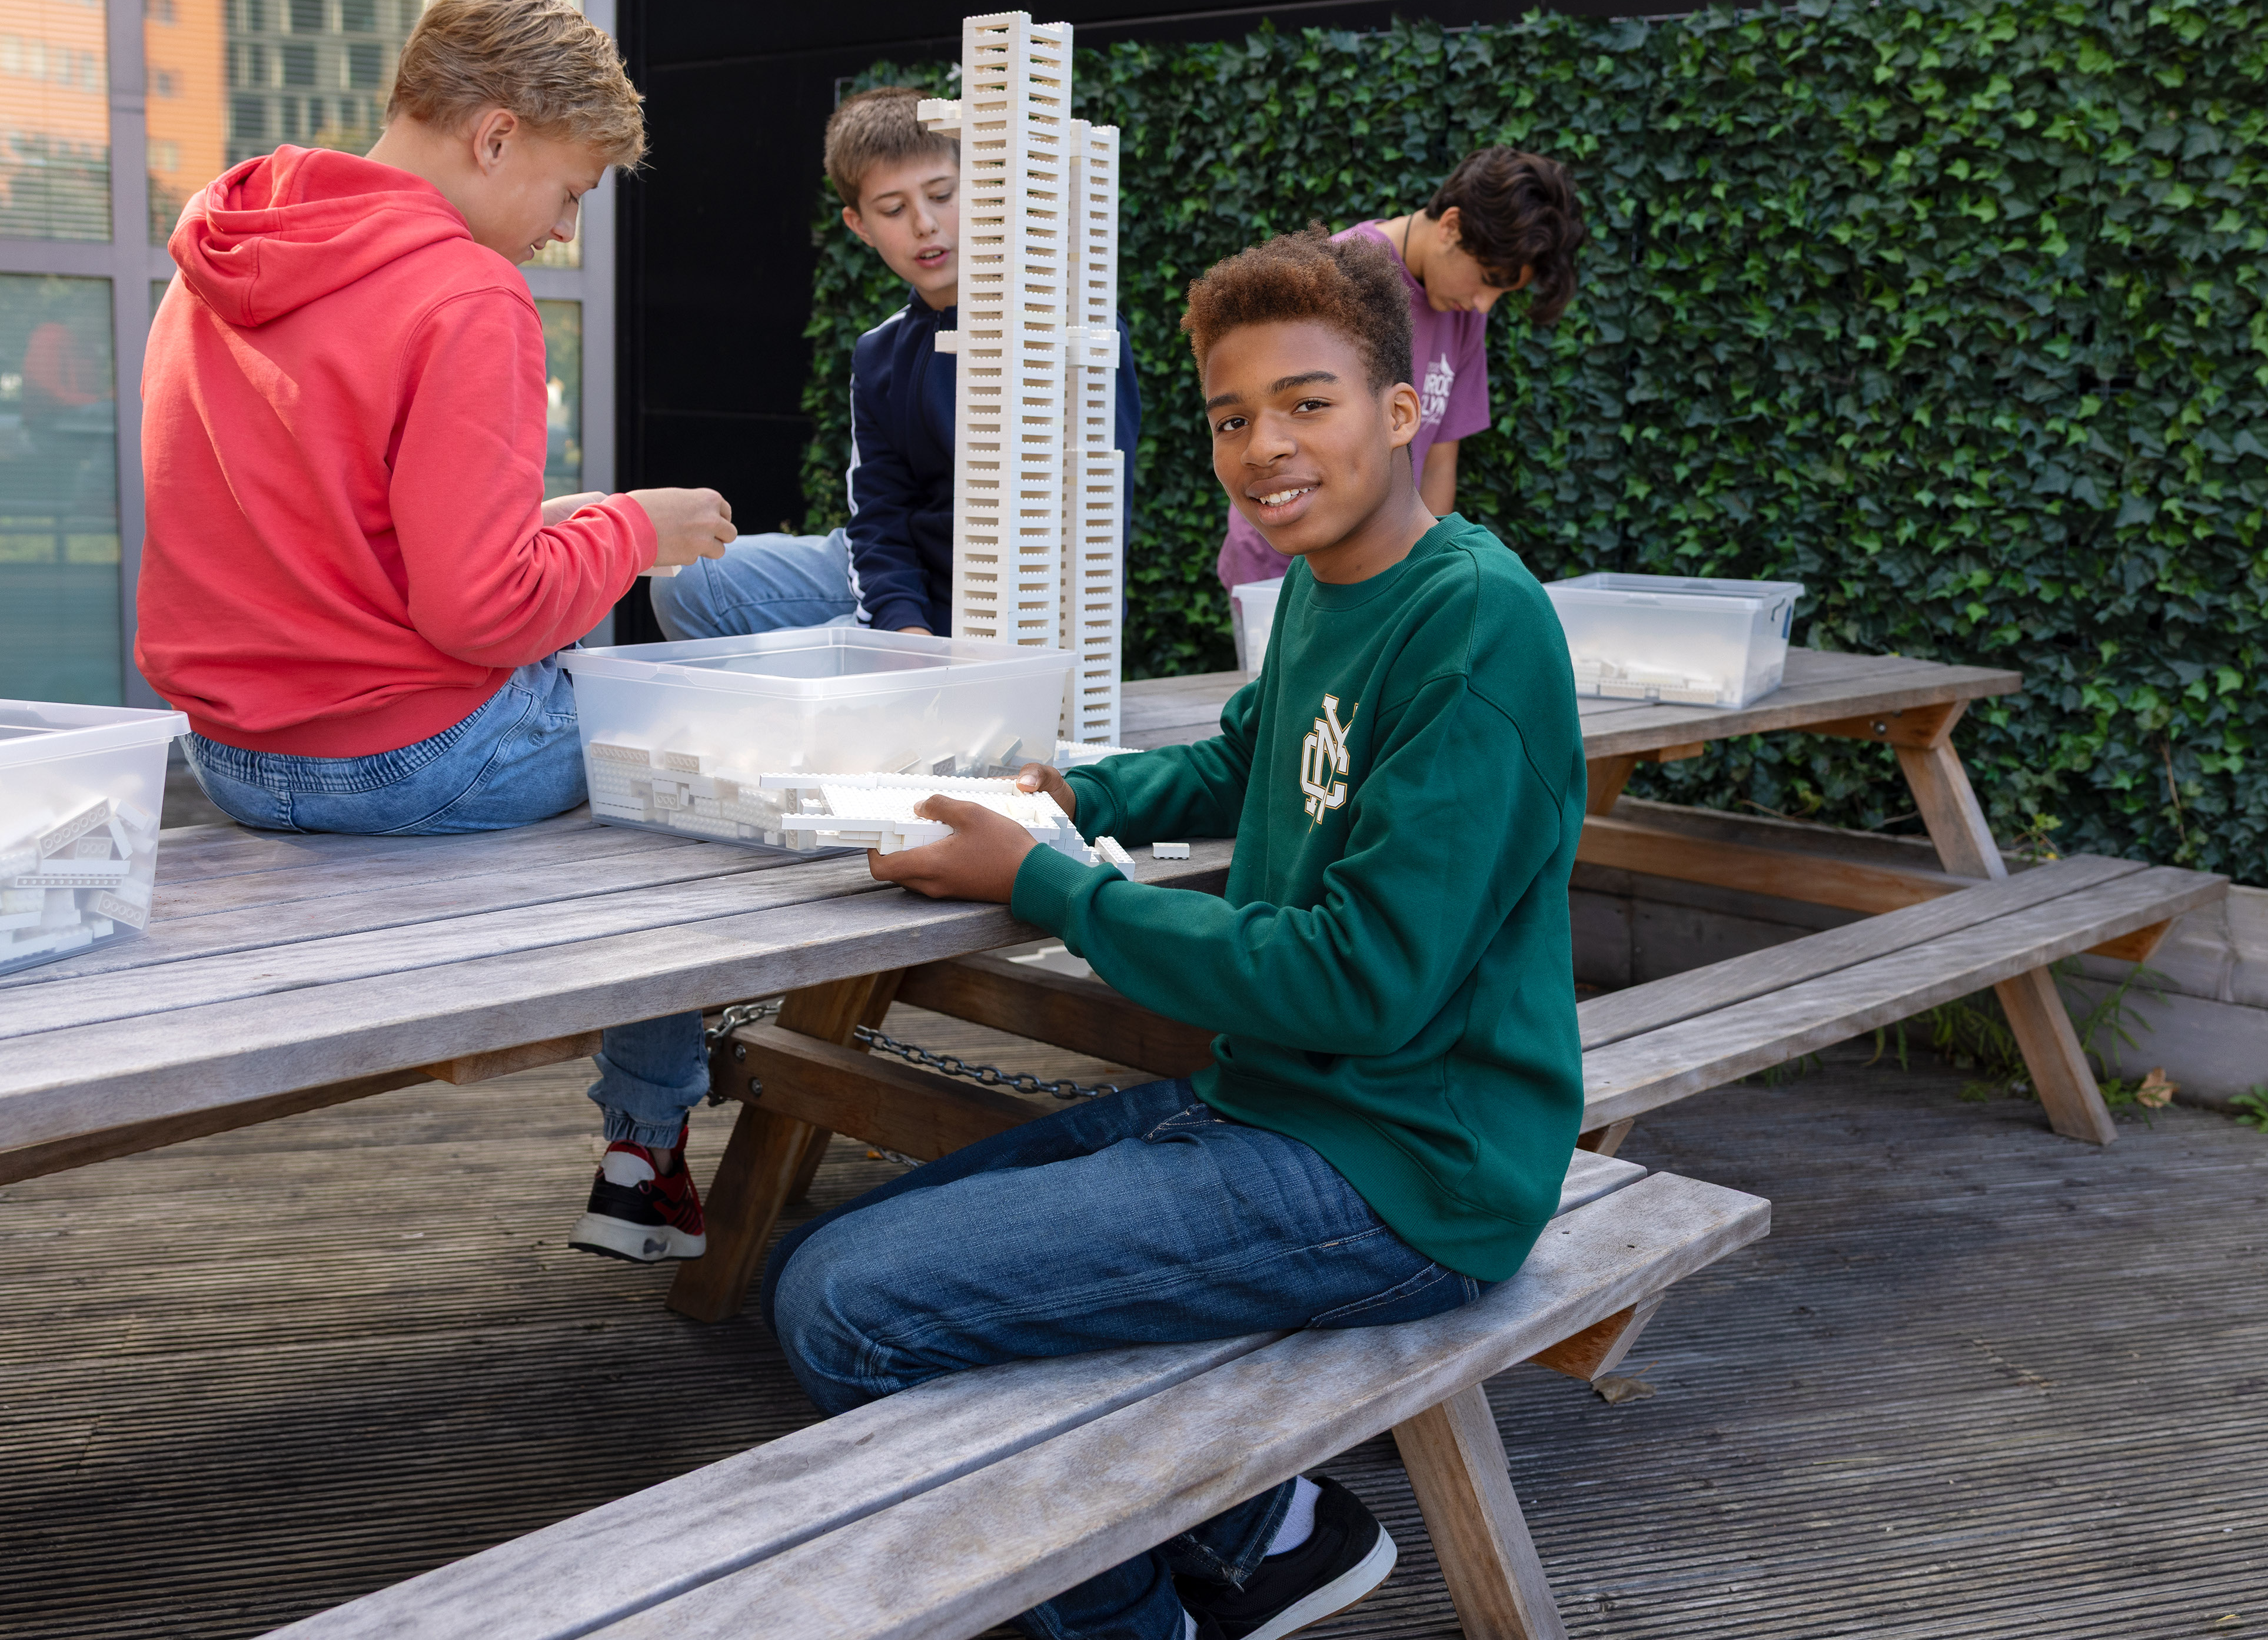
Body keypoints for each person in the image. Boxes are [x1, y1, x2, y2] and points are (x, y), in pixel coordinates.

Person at [766, 227, 1587, 1640]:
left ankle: (1139, 1612)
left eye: (1305, 403)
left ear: (1403, 413)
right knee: (849, 1245)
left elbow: (1363, 983)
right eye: (1227, 415)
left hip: (1404, 1174)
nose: (1262, 445)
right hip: (1273, 1102)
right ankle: (1261, 1519)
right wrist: (1066, 794)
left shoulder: (1471, 629)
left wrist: (1049, 884)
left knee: (850, 1306)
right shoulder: (1336, 591)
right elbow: (1241, 759)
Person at [133, 0, 737, 1267]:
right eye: (570, 191)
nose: (565, 232)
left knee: (608, 705)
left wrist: (563, 521)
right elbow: (483, 611)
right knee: (685, 753)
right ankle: (644, 1158)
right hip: (409, 761)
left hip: (233, 757)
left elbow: (310, 528)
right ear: (497, 132)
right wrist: (633, 528)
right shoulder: (466, 295)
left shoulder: (217, 262)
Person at [651, 85, 1143, 640]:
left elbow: (1093, 527)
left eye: (941, 194)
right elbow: (880, 513)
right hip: (904, 577)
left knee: (816, 673)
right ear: (859, 225)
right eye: (893, 208)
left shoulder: (1070, 335)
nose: (924, 224)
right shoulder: (879, 352)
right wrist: (902, 626)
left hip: (1007, 604)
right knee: (690, 582)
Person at [1213, 144, 1585, 593]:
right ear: (1451, 226)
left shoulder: (1465, 315)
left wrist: (1424, 574)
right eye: (1487, 278)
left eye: (1503, 293)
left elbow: (1439, 462)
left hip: (1385, 575)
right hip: (1281, 570)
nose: (1485, 303)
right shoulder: (1334, 277)